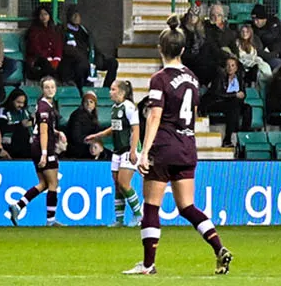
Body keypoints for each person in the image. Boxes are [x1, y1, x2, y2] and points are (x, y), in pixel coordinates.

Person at [127, 27, 230, 275]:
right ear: (183, 50)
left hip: (164, 146)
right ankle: (219, 248)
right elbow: (193, 116)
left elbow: (154, 116)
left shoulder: (159, 79)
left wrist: (144, 152)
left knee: (151, 206)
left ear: (160, 49)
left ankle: (148, 265)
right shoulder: (193, 78)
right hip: (187, 146)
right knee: (187, 207)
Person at [7, 77, 63, 225]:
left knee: (43, 183)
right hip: (43, 147)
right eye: (47, 87)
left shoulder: (43, 105)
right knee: (53, 183)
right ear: (42, 90)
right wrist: (45, 153)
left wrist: (57, 132)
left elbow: (43, 128)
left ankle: (18, 206)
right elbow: (43, 132)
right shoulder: (45, 108)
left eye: (52, 87)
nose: (50, 90)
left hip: (37, 147)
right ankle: (51, 221)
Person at [90, 80, 145, 227]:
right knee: (117, 184)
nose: (110, 92)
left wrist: (133, 150)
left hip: (128, 148)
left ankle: (138, 214)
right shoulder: (115, 107)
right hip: (117, 149)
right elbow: (114, 128)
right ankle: (119, 220)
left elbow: (136, 129)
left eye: (113, 89)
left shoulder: (129, 107)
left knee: (124, 182)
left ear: (121, 92)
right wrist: (98, 136)